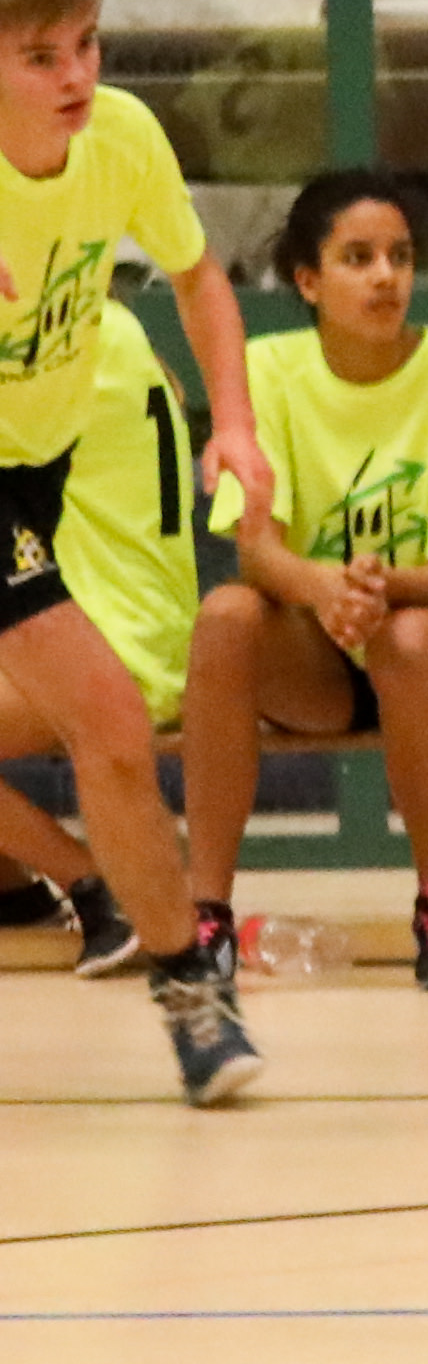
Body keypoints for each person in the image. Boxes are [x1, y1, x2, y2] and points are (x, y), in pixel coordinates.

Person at [0, 0, 271, 1101]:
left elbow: (199, 274)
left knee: (100, 728)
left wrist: (235, 423)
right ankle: (190, 993)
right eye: (39, 57)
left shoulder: (121, 139)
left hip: (37, 462)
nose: (75, 76)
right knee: (109, 720)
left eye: (87, 44)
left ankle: (117, 909)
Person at [177, 173, 428, 990]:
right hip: (323, 643)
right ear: (308, 281)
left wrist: (370, 587)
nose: (385, 276)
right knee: (226, 616)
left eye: (400, 257)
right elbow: (258, 555)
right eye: (359, 258)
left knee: (405, 636)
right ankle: (205, 916)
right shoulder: (264, 371)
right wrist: (324, 588)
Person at [0, 308, 199, 977]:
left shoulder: (56, 343)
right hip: (130, 628)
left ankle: (102, 886)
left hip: (113, 643)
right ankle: (14, 891)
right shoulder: (107, 327)